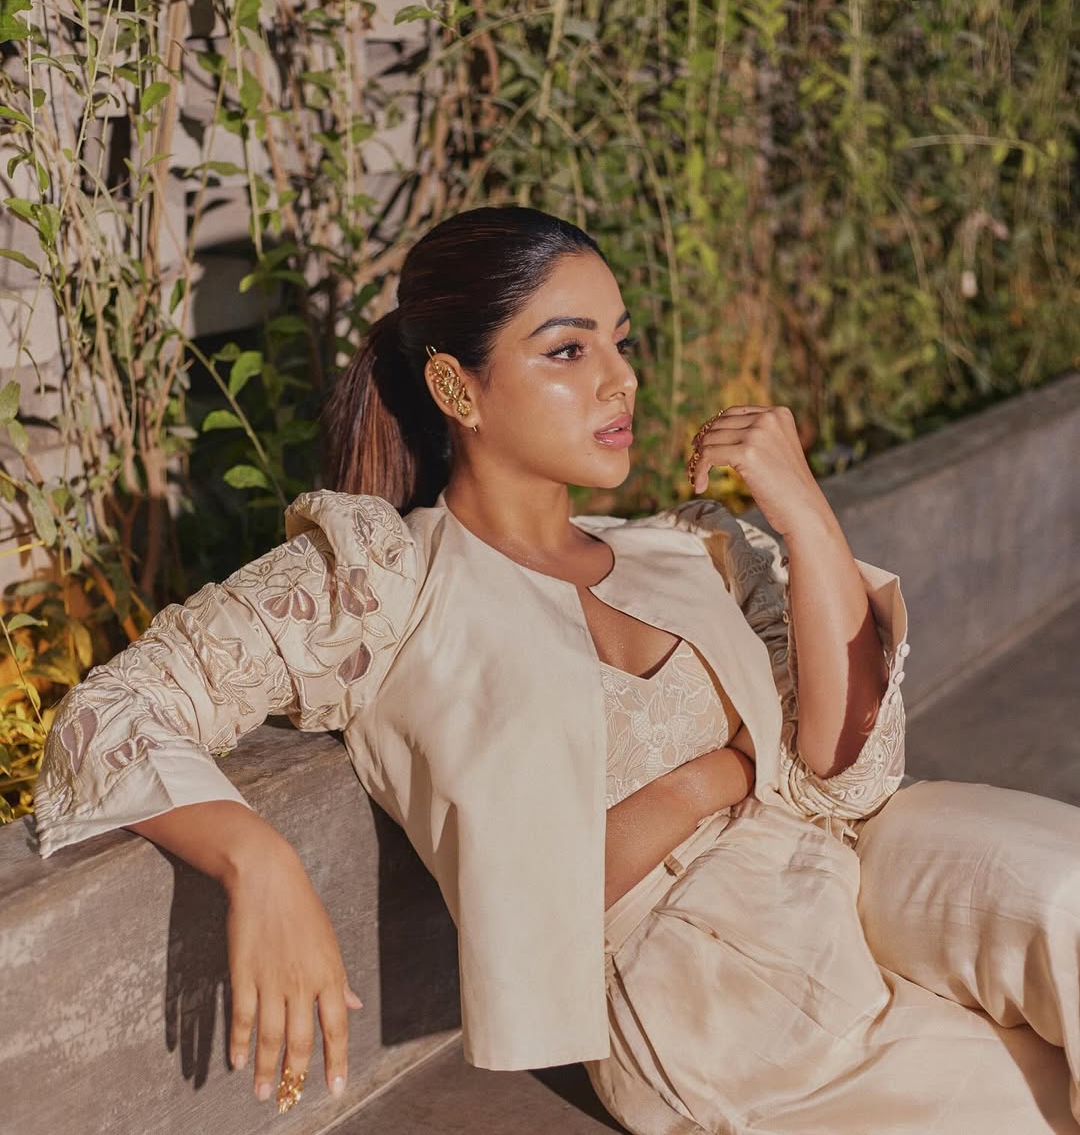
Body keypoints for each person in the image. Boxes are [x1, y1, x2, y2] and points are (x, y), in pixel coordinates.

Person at [34, 208, 1079, 1131]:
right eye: (568, 350)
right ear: (458, 386)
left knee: (1067, 885)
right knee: (1013, 1106)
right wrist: (255, 858)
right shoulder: (382, 582)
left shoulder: (693, 548)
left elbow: (849, 780)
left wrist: (805, 513)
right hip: (708, 984)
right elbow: (111, 711)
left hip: (852, 868)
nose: (620, 379)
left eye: (621, 342)